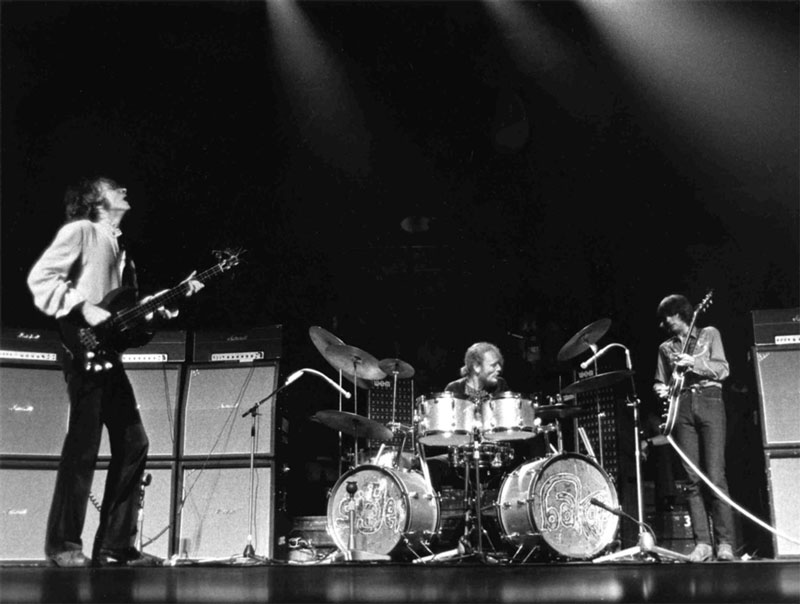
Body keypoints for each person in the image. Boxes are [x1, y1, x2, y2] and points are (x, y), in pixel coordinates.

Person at [27, 176, 203, 567]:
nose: (124, 189)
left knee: (134, 442)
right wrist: (85, 308)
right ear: (96, 200)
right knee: (83, 446)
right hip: (84, 350)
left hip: (108, 355)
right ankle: (63, 546)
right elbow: (42, 280)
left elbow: (128, 321)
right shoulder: (82, 232)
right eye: (114, 187)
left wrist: (163, 307)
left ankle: (114, 546)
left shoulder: (123, 250)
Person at [653, 294, 735, 562]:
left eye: (670, 315)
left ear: (683, 313)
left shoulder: (709, 334)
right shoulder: (666, 348)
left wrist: (695, 363)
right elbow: (659, 381)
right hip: (682, 406)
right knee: (691, 478)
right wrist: (661, 390)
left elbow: (723, 369)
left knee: (715, 474)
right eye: (664, 317)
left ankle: (725, 543)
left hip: (710, 400)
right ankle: (703, 543)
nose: (666, 321)